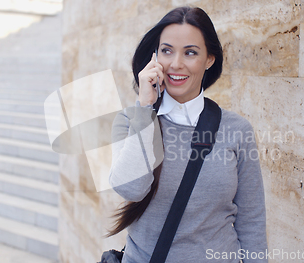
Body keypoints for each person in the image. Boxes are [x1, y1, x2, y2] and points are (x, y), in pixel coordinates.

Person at [107, 6, 267, 263]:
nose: (176, 64)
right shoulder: (132, 120)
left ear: (209, 59)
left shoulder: (237, 130)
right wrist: (145, 108)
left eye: (190, 52)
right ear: (154, 56)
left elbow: (252, 222)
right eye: (166, 51)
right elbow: (131, 188)